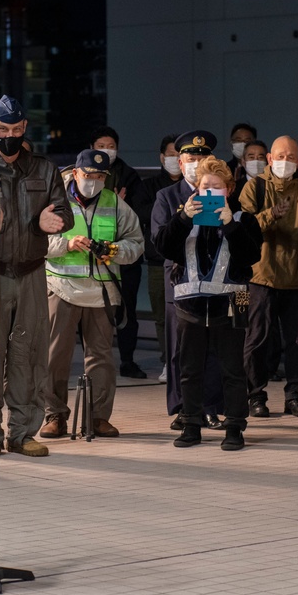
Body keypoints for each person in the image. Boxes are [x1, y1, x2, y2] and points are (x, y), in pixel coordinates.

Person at [0, 95, 72, 459]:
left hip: (30, 273)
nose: (9, 135)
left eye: (16, 129)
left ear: (25, 129)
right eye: (3, 128)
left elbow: (65, 215)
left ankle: (22, 433)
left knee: (29, 354)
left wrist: (47, 221)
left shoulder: (44, 169)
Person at [157, 156, 262, 450]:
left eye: (216, 188)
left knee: (233, 368)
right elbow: (162, 246)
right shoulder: (185, 217)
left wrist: (230, 225)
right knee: (190, 368)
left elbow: (252, 257)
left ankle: (234, 427)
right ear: (196, 190)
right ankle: (191, 423)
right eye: (204, 188)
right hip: (190, 304)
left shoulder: (243, 219)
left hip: (233, 301)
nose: (209, 193)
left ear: (227, 190)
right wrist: (181, 219)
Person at [39, 149, 143, 439]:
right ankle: (54, 416)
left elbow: (136, 243)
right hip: (61, 289)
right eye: (88, 176)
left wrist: (114, 251)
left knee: (101, 358)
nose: (93, 182)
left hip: (102, 292)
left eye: (99, 177)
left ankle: (98, 418)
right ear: (76, 173)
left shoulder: (114, 202)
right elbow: (38, 241)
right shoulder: (55, 199)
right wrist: (68, 244)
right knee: (54, 356)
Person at [151, 130, 227, 429]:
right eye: (190, 159)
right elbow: (158, 240)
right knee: (179, 350)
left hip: (214, 282)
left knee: (212, 350)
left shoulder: (220, 194)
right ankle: (183, 407)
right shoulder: (167, 196)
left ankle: (210, 407)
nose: (196, 164)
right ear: (180, 164)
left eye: (202, 159)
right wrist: (183, 217)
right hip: (179, 282)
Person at [239, 135, 298, 418]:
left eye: (291, 157)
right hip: (261, 277)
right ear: (270, 159)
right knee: (257, 339)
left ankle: (295, 396)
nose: (285, 162)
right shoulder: (255, 187)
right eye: (279, 156)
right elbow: (244, 229)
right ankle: (255, 396)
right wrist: (271, 214)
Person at [91, 126, 147, 379]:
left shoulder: (129, 175)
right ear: (92, 148)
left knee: (127, 309)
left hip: (123, 257)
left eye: (111, 146)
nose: (107, 150)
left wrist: (119, 204)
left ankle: (127, 360)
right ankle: (95, 361)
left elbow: (140, 215)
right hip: (91, 257)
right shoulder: (82, 173)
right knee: (93, 311)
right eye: (102, 145)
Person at [133, 133, 180, 382]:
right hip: (156, 260)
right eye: (171, 154)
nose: (175, 159)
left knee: (184, 314)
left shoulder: (191, 186)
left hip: (185, 259)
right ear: (162, 157)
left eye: (179, 154)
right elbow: (141, 212)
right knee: (162, 315)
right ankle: (166, 361)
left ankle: (183, 360)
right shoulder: (150, 186)